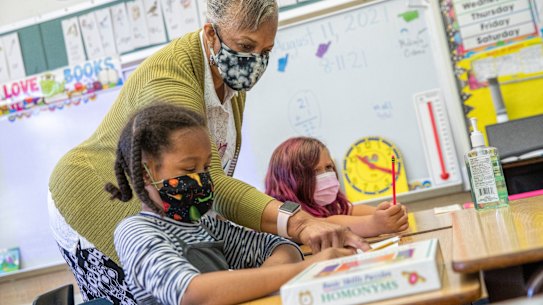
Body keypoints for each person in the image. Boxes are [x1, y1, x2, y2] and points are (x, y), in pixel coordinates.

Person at [48, 0, 367, 303]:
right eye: (245, 46)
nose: (255, 60)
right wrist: (299, 229)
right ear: (212, 33)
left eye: (265, 50)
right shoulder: (168, 79)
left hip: (174, 211)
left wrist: (275, 271)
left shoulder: (229, 77)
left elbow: (267, 241)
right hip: (94, 198)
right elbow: (193, 293)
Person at [109, 104, 353, 305]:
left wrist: (260, 280)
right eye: (189, 169)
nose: (203, 178)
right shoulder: (135, 232)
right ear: (144, 174)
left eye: (206, 168)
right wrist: (307, 267)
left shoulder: (204, 224)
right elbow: (191, 294)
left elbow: (280, 247)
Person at [265, 137, 409, 237]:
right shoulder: (284, 212)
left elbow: (348, 210)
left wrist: (388, 213)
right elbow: (326, 224)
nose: (326, 175)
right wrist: (374, 224)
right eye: (315, 171)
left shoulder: (324, 204)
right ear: (289, 179)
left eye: (328, 167)